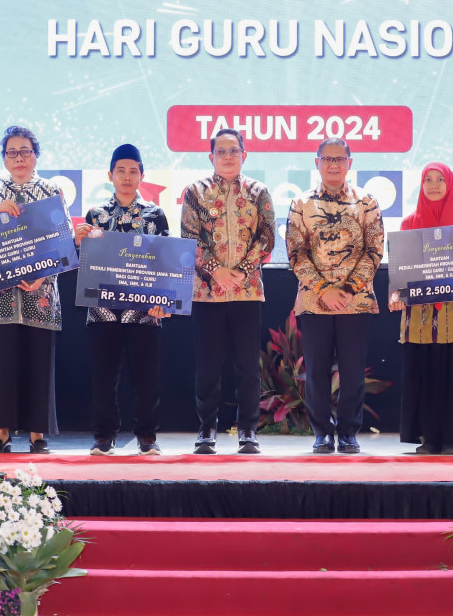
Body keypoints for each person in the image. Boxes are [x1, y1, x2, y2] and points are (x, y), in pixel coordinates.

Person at [285, 137, 384, 455]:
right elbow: (295, 254)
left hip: (354, 303)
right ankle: (322, 434)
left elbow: (374, 251)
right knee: (315, 371)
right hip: (314, 303)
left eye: (340, 159)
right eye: (327, 159)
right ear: (316, 162)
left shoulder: (367, 202)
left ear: (350, 163)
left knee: (353, 371)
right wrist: (324, 290)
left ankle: (349, 433)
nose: (333, 164)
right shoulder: (301, 204)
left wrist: (347, 290)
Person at [180, 128, 275, 454]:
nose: (228, 156)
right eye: (221, 151)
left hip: (247, 293)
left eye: (234, 150)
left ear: (244, 155)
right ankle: (207, 429)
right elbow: (189, 238)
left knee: (248, 367)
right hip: (207, 293)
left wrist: (241, 271)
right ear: (211, 157)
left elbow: (266, 238)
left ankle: (248, 431)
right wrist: (216, 271)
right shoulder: (195, 192)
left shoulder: (259, 191)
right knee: (208, 365)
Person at [74, 144, 170, 456]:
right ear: (110, 175)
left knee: (146, 380)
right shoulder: (95, 215)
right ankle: (104, 437)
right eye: (121, 171)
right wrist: (77, 242)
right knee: (104, 379)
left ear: (142, 175)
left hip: (144, 312)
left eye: (133, 171)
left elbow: (167, 263)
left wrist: (164, 300)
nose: (127, 177)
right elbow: (83, 261)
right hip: (102, 312)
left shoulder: (156, 215)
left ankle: (147, 437)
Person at [0, 125, 63, 454]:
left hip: (40, 294)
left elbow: (62, 240)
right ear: (4, 158)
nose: (19, 158)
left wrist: (43, 275)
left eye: (25, 151)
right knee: (2, 363)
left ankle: (37, 435)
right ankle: (2, 433)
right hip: (0, 296)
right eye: (12, 152)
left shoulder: (51, 190)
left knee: (39, 363)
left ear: (35, 155)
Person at [388, 162, 453, 456]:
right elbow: (401, 273)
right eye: (427, 179)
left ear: (450, 184)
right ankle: (428, 438)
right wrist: (396, 294)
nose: (433, 185)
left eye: (439, 179)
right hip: (420, 315)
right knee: (424, 374)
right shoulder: (408, 224)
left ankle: (452, 439)